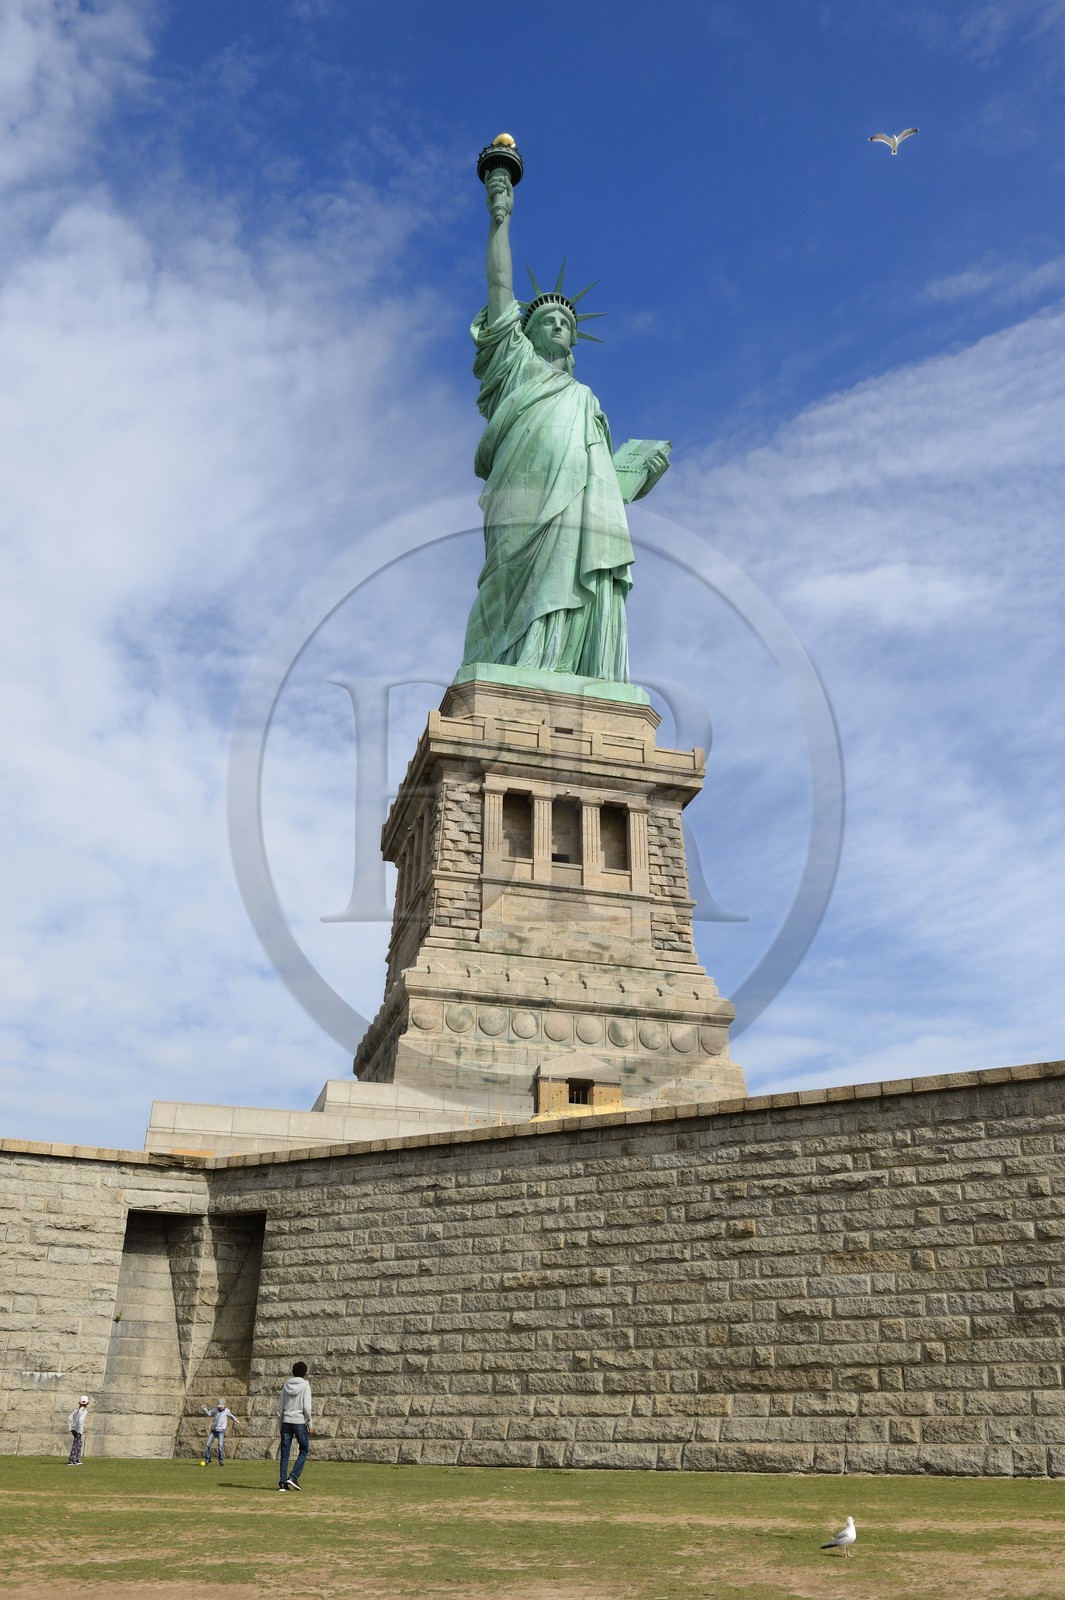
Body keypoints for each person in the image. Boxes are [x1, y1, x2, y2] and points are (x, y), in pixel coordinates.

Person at [459, 162, 670, 683]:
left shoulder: (586, 400)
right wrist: (500, 217)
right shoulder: (515, 367)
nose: (556, 325)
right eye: (545, 320)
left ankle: (568, 665)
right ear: (525, 332)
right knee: (509, 580)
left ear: (574, 339)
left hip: (579, 507)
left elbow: (604, 484)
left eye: (564, 323)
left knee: (576, 568)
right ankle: (513, 663)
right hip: (522, 493)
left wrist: (636, 473)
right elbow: (499, 285)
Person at [277, 1361, 313, 1493]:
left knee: (285, 1453)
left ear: (293, 1371)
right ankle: (293, 1477)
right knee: (304, 1449)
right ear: (304, 1372)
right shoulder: (305, 1385)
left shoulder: (286, 1385)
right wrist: (310, 1423)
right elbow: (307, 1407)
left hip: (286, 1421)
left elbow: (280, 1407)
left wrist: (280, 1424)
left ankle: (282, 1482)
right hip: (299, 1421)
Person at [200, 1399, 240, 1466]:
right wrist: (205, 1409)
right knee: (207, 1445)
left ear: (224, 1405)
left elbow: (231, 1416)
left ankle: (221, 1461)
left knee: (220, 1446)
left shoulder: (227, 1411)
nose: (220, 1407)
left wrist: (236, 1420)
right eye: (219, 1406)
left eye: (221, 1406)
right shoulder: (215, 1410)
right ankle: (207, 1460)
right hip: (213, 1431)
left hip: (221, 1431)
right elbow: (209, 1414)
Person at [67, 1395, 89, 1465]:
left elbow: (69, 1418)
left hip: (74, 1429)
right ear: (87, 1403)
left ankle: (77, 1459)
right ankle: (72, 1460)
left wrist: (70, 1427)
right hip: (78, 1430)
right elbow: (81, 1420)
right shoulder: (84, 1411)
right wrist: (79, 1429)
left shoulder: (76, 1410)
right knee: (76, 1444)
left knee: (79, 1444)